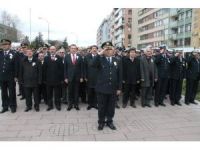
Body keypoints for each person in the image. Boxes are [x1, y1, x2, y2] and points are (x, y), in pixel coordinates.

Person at [92, 41, 122, 130]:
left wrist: (119, 88)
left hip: (113, 89)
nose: (108, 50)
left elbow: (120, 75)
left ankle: (109, 121)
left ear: (113, 50)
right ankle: (101, 122)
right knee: (101, 107)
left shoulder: (117, 60)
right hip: (101, 89)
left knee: (111, 107)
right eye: (106, 49)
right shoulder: (100, 59)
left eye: (110, 49)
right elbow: (92, 64)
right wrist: (100, 53)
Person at [0, 39, 19, 113]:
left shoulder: (14, 54)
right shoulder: (0, 53)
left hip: (11, 77)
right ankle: (5, 106)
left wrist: (16, 76)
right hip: (2, 77)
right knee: (3, 92)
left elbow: (16, 66)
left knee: (12, 92)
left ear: (9, 45)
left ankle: (13, 106)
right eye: (3, 45)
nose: (4, 46)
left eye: (6, 44)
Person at [43, 46, 63, 111]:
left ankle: (58, 105)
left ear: (55, 50)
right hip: (48, 80)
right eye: (51, 49)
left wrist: (61, 79)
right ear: (49, 50)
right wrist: (44, 79)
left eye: (53, 49)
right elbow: (44, 69)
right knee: (49, 94)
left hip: (57, 80)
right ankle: (50, 105)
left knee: (57, 94)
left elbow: (61, 69)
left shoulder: (59, 58)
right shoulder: (46, 58)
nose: (52, 50)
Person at [64, 44, 83, 111]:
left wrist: (81, 77)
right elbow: (65, 68)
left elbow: (81, 68)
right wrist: (65, 77)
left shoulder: (79, 56)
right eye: (72, 48)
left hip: (77, 78)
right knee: (70, 92)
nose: (73, 49)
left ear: (76, 49)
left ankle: (76, 104)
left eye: (74, 48)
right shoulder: (66, 57)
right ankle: (70, 105)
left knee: (76, 92)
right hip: (69, 77)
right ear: (70, 49)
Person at [85, 45, 99, 110]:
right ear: (91, 50)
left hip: (97, 77)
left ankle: (95, 104)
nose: (94, 50)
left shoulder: (100, 56)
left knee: (96, 91)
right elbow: (86, 66)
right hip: (89, 77)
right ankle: (90, 104)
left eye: (95, 48)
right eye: (93, 48)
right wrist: (85, 76)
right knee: (90, 92)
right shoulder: (88, 56)